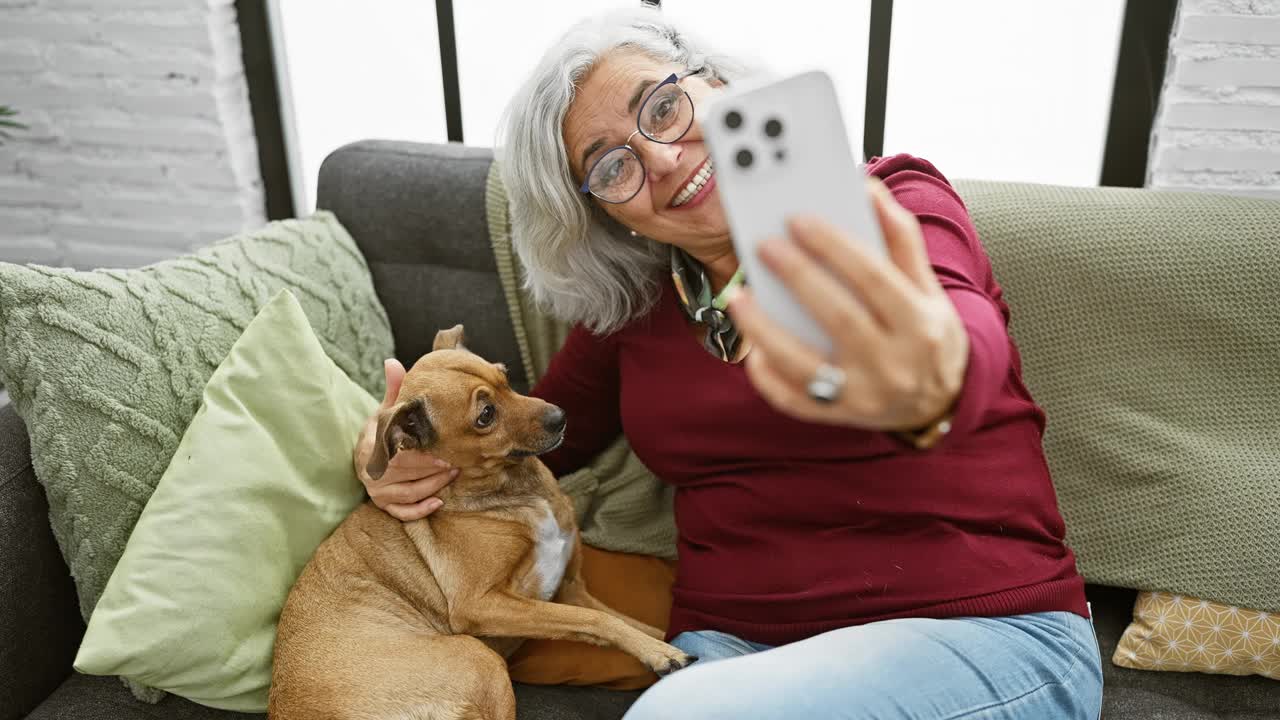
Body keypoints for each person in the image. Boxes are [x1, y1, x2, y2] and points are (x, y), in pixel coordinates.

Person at [354, 7, 1103, 719]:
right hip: (729, 657)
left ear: (715, 83)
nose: (662, 158)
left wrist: (931, 371)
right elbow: (536, 431)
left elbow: (960, 330)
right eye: (612, 167)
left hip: (984, 636)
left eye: (662, 108)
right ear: (602, 214)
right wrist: (386, 454)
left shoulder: (890, 201)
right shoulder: (638, 306)